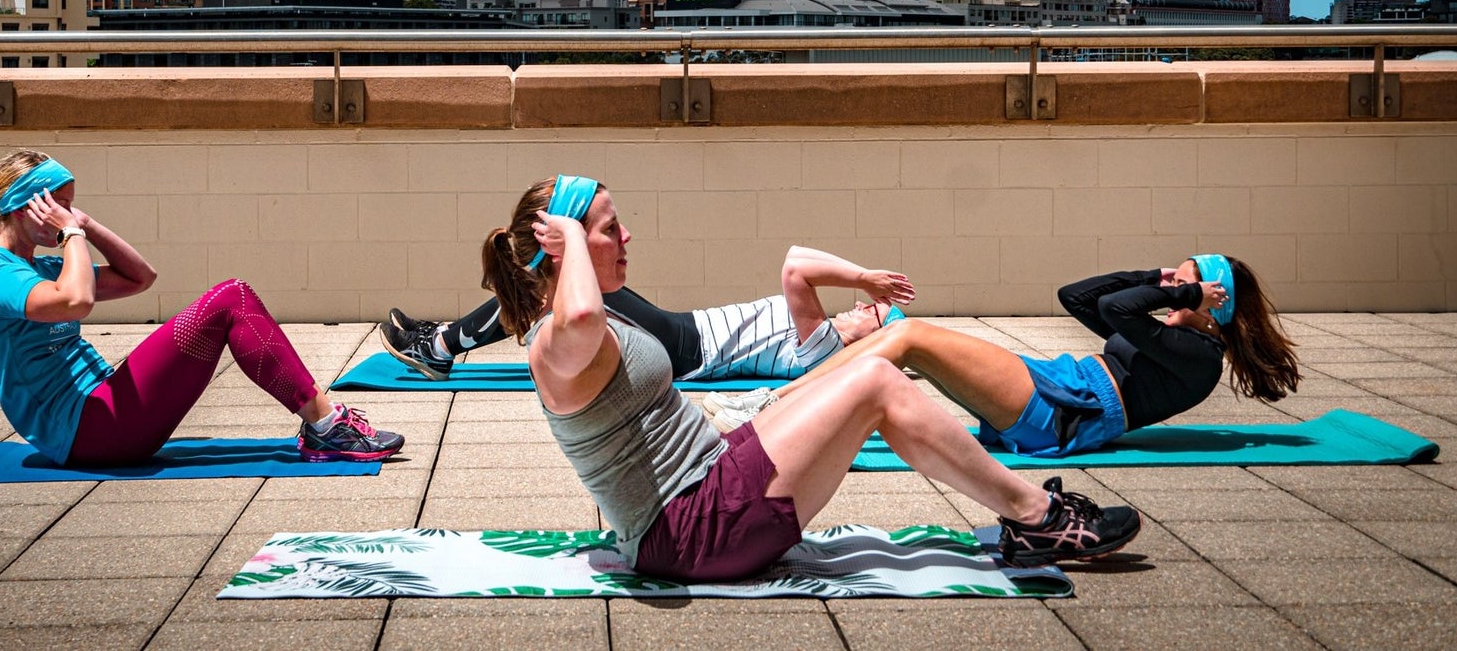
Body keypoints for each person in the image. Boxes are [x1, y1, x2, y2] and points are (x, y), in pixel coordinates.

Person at [482, 174, 1141, 580]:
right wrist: (567, 228)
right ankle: (1036, 515)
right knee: (879, 386)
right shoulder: (557, 341)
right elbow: (583, 312)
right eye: (607, 228)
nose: (627, 235)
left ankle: (1030, 513)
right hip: (694, 530)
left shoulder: (579, 327)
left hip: (714, 483)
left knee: (872, 363)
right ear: (564, 248)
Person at [0, 149, 403, 467]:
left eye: (72, 206)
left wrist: (87, 225)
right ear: (25, 209)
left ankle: (323, 424)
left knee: (233, 296)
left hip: (105, 415)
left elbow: (141, 278)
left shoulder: (44, 267)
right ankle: (326, 427)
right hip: (87, 434)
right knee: (230, 298)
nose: (69, 216)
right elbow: (75, 302)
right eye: (60, 206)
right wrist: (72, 236)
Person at [712, 258, 1300, 458]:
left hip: (1065, 415)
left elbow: (1121, 313)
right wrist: (1157, 277)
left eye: (1188, 287)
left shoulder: (1198, 355)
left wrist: (1182, 297)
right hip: (1058, 389)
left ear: (1211, 306)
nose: (1173, 289)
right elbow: (1080, 298)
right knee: (896, 349)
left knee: (908, 337)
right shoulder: (1176, 336)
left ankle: (764, 408)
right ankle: (773, 411)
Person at [382, 247, 914, 429]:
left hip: (686, 351)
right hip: (681, 332)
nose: (867, 304)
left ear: (866, 341)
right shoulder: (819, 333)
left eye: (874, 313)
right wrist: (866, 282)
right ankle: (443, 343)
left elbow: (796, 263)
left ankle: (440, 346)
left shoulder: (820, 345)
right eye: (872, 300)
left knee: (563, 278)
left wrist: (866, 275)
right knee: (556, 283)